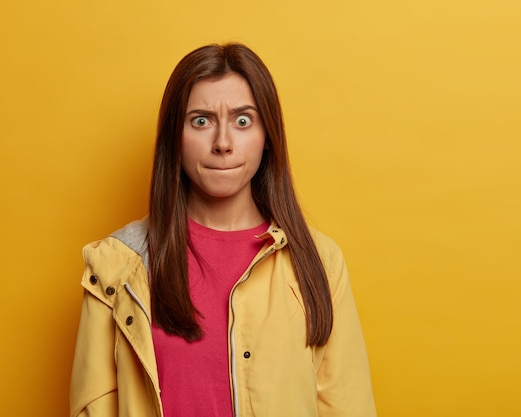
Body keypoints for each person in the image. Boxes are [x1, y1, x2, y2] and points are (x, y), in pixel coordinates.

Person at [69, 43, 376, 417]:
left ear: (268, 137)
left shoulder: (319, 262)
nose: (223, 143)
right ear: (174, 138)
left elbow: (348, 407)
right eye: (201, 120)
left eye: (243, 120)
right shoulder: (116, 265)